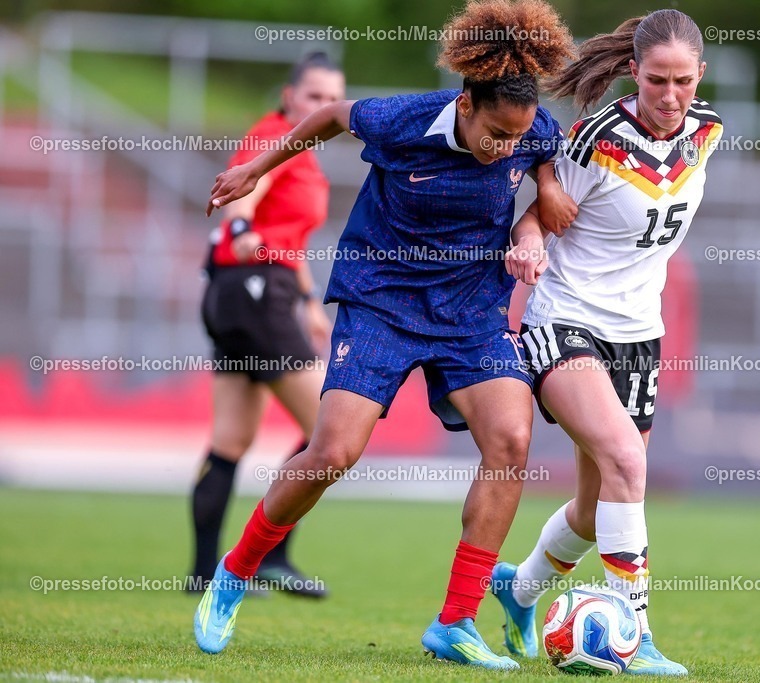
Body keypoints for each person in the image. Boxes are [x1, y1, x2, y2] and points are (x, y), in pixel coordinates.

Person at [192, 0, 578, 670]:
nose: (506, 146)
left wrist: (532, 234)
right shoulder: (403, 120)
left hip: (469, 311)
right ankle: (234, 571)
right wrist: (257, 169)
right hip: (382, 302)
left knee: (512, 441)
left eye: (517, 137)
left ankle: (455, 621)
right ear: (464, 103)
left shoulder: (532, 128)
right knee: (334, 451)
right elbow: (328, 118)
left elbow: (539, 181)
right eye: (495, 134)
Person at [491, 9, 723, 676]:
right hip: (565, 321)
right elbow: (539, 211)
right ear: (634, 73)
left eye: (683, 81)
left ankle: (521, 587)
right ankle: (638, 631)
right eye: (656, 81)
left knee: (598, 508)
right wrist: (530, 242)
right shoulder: (597, 140)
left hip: (639, 336)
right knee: (628, 459)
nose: (670, 95)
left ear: (700, 76)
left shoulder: (708, 132)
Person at [189, 52, 344, 599]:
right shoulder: (275, 135)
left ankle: (204, 570)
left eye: (332, 99)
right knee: (333, 426)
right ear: (288, 97)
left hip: (243, 292)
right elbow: (245, 190)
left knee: (230, 439)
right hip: (253, 287)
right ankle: (269, 555)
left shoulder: (302, 149)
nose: (323, 107)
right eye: (313, 97)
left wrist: (307, 302)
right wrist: (239, 228)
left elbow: (291, 238)